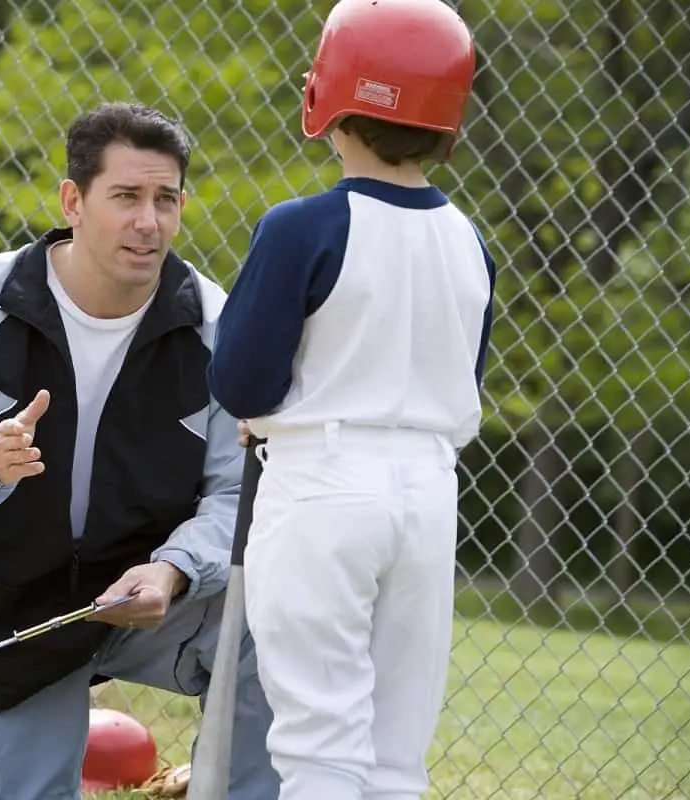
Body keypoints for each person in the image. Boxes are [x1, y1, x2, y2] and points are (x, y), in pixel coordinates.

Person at [0, 102, 280, 799]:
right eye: (127, 197)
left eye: (165, 198)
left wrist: (173, 568)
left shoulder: (213, 322)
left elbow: (246, 491)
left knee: (280, 619)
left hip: (151, 599)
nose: (149, 220)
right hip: (9, 613)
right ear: (73, 201)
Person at [207, 2, 494, 798]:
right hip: (430, 491)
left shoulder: (302, 226)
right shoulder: (470, 240)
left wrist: (263, 410)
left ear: (330, 100)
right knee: (397, 753)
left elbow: (239, 383)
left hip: (325, 484)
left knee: (320, 742)